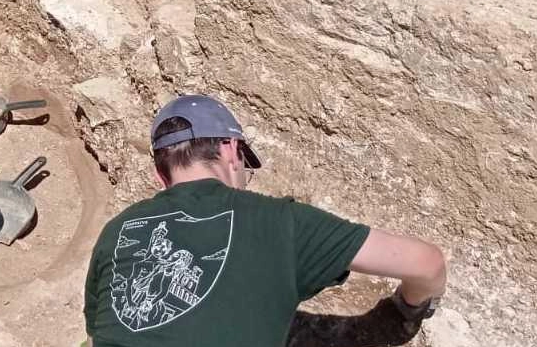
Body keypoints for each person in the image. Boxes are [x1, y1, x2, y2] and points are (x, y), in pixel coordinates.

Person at [83, 94, 447, 346]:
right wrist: (408, 306)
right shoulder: (280, 222)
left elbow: (99, 329)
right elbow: (427, 264)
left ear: (160, 177)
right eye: (246, 164)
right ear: (230, 150)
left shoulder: (118, 230)